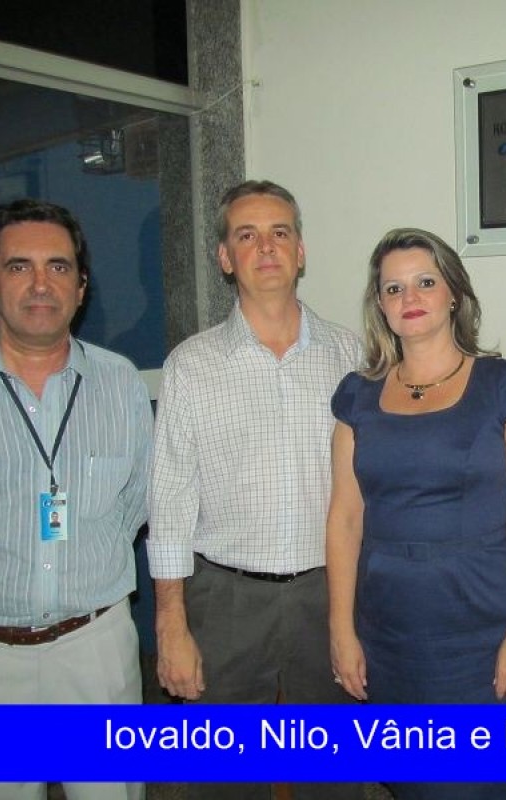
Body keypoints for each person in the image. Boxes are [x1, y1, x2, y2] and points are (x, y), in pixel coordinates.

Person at [0, 199, 152, 800]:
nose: (42, 283)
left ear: (81, 287)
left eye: (58, 267)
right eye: (19, 267)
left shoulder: (121, 383)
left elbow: (136, 503)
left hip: (96, 651)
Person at [146, 180, 363, 800]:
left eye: (279, 232)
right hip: (225, 601)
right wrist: (171, 624)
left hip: (329, 594)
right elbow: (170, 500)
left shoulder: (350, 355)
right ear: (224, 257)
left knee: (333, 778)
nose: (265, 247)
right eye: (247, 235)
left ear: (301, 251)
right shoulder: (191, 365)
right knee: (223, 780)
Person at [326, 228, 506, 800]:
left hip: (483, 624)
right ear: (380, 305)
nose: (410, 297)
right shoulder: (357, 396)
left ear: (454, 292)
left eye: (426, 282)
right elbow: (345, 519)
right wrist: (341, 631)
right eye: (393, 288)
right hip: (391, 632)